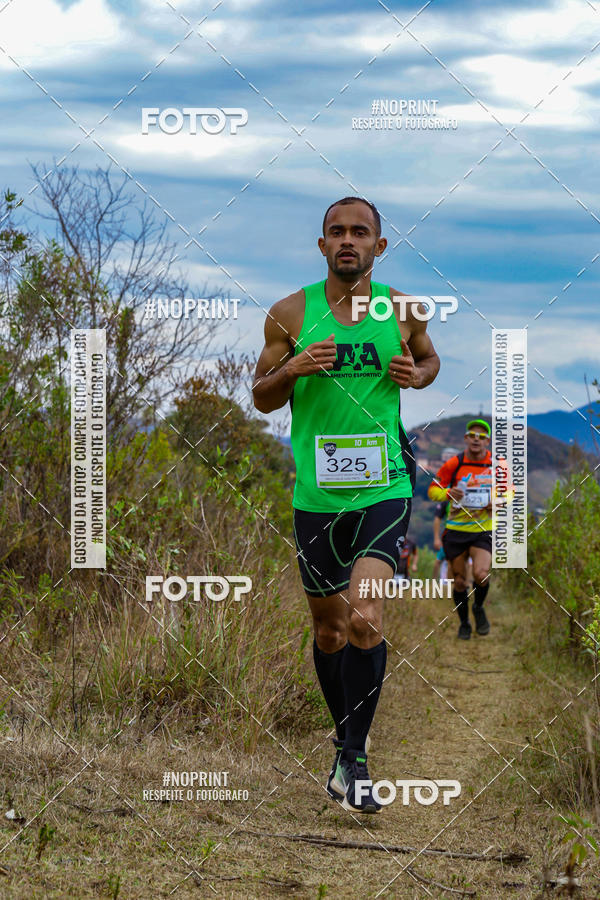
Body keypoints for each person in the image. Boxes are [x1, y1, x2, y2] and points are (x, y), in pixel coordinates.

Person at [253, 196, 440, 812]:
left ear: (379, 247)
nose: (348, 241)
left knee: (365, 617)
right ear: (322, 244)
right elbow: (260, 397)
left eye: (360, 232)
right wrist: (294, 370)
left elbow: (429, 358)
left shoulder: (403, 309)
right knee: (330, 631)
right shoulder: (289, 314)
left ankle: (355, 760)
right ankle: (343, 745)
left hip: (385, 485)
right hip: (317, 496)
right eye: (337, 232)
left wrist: (418, 375)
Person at [427, 419, 494, 639]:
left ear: (487, 441)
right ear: (466, 438)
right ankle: (464, 622)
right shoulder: (453, 464)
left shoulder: (496, 465)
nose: (476, 440)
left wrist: (498, 501)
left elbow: (510, 491)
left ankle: (479, 607)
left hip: (482, 529)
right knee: (459, 582)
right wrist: (447, 493)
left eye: (481, 437)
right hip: (456, 530)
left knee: (481, 574)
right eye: (472, 435)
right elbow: (432, 491)